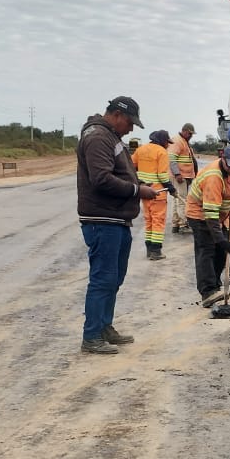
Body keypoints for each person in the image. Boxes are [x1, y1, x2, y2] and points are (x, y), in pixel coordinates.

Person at [77, 95, 158, 354]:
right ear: (117, 115)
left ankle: (104, 326)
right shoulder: (98, 137)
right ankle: (91, 336)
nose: (132, 128)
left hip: (116, 219)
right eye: (130, 122)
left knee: (114, 278)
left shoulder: (111, 137)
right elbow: (101, 179)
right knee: (103, 279)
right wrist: (137, 191)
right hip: (103, 219)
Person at [187, 143, 230, 307]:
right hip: (200, 215)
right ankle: (207, 291)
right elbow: (210, 216)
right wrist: (221, 240)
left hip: (218, 215)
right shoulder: (214, 177)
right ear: (223, 159)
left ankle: (216, 284)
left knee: (220, 252)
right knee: (207, 250)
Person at [132, 130, 177, 260]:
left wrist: (140, 181)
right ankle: (156, 251)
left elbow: (131, 165)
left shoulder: (141, 150)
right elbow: (162, 175)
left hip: (144, 192)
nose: (168, 145)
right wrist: (170, 188)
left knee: (149, 220)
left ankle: (149, 250)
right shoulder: (161, 152)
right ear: (163, 141)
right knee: (158, 221)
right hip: (158, 193)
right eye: (167, 142)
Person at [169, 123, 199, 232]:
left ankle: (176, 224)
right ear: (184, 131)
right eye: (190, 133)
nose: (191, 136)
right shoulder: (177, 141)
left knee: (177, 199)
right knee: (182, 199)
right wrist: (177, 174)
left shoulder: (184, 141)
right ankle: (183, 224)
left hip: (184, 176)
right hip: (180, 176)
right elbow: (171, 159)